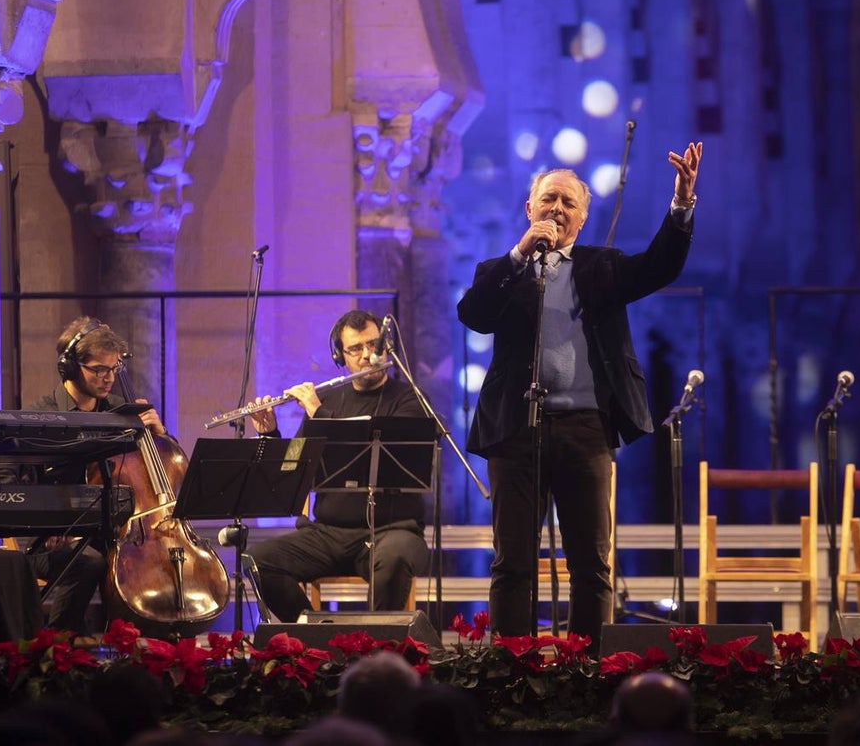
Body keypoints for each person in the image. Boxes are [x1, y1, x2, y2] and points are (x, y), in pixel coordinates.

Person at [457, 143, 702, 652]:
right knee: (513, 563)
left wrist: (680, 206)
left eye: (569, 203)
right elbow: (474, 315)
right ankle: (511, 668)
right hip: (515, 430)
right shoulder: (501, 270)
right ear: (530, 209)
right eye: (549, 199)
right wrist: (521, 254)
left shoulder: (602, 267)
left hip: (586, 429)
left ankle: (586, 668)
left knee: (591, 563)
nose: (557, 210)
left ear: (583, 218)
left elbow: (660, 267)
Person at [0, 317, 167, 635]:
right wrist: (45, 522)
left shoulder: (122, 416)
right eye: (99, 369)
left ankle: (141, 655)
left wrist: (160, 438)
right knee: (89, 562)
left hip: (112, 532)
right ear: (69, 367)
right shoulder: (35, 418)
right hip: (44, 537)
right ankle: (56, 649)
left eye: (114, 369)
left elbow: (159, 476)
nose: (108, 378)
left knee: (148, 564)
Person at [246, 309, 430, 619]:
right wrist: (271, 434)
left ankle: (377, 652)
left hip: (392, 531)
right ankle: (315, 637)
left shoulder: (409, 399)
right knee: (258, 559)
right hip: (328, 534)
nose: (367, 355)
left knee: (395, 558)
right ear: (339, 355)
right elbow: (293, 468)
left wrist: (320, 414)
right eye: (355, 349)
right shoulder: (328, 401)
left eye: (374, 345)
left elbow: (389, 457)